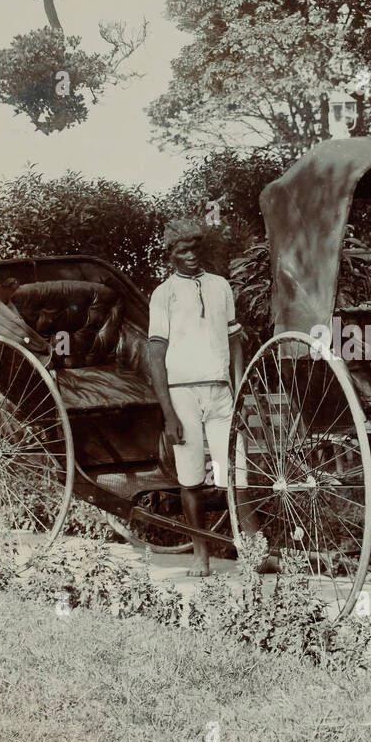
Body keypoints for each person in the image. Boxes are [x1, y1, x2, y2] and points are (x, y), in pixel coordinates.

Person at [147, 219, 243, 577]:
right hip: (182, 394)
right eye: (181, 251)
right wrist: (168, 413)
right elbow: (156, 355)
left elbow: (235, 342)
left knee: (237, 473)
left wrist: (240, 387)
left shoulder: (220, 286)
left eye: (193, 249)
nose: (189, 256)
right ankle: (200, 553)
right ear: (170, 255)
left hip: (221, 393)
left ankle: (254, 551)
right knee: (191, 478)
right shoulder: (164, 294)